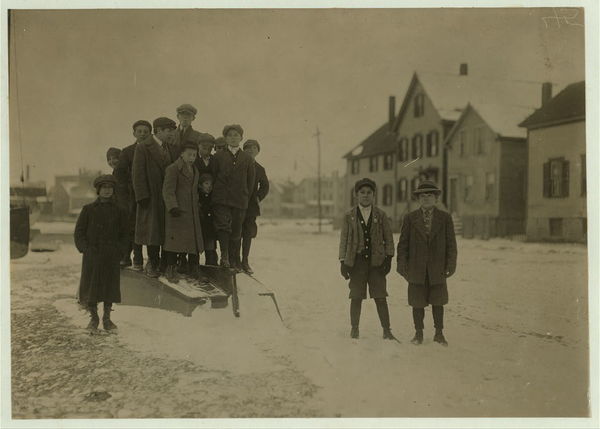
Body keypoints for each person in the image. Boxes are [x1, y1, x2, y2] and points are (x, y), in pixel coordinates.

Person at [396, 180, 457, 346]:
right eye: (422, 196)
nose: (426, 198)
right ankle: (418, 333)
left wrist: (451, 265)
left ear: (436, 198)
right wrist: (402, 266)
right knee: (417, 302)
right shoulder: (410, 218)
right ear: (418, 199)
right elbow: (403, 244)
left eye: (430, 195)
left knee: (438, 301)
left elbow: (451, 244)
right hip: (416, 268)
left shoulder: (445, 218)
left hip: (437, 268)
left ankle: (439, 333)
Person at [339, 178, 395, 340]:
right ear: (356, 195)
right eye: (362, 192)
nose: (365, 195)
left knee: (380, 296)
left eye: (369, 192)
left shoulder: (381, 215)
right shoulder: (349, 216)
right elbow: (344, 240)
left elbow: (389, 238)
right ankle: (354, 329)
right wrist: (343, 262)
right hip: (356, 263)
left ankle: (387, 330)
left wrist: (389, 258)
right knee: (356, 296)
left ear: (374, 195)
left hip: (377, 263)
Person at [74, 175, 128, 332]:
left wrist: (120, 251)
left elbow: (125, 234)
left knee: (109, 288)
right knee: (91, 288)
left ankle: (107, 319)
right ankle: (94, 318)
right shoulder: (88, 209)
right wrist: (86, 249)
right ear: (98, 190)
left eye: (110, 188)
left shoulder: (120, 211)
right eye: (104, 188)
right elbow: (79, 232)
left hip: (111, 255)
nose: (107, 191)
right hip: (93, 256)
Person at [132, 117, 178, 278]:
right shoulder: (143, 147)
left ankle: (163, 264)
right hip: (151, 197)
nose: (171, 134)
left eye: (172, 131)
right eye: (168, 131)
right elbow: (137, 174)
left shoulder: (170, 148)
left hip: (166, 197)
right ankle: (152, 262)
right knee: (152, 232)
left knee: (165, 230)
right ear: (158, 131)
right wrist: (142, 196)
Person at [211, 124, 255, 268]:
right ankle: (224, 257)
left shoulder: (247, 159)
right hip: (221, 200)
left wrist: (244, 196)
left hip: (239, 201)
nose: (233, 138)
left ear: (241, 138)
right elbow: (213, 176)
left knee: (236, 231)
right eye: (229, 135)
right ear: (225, 138)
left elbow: (250, 181)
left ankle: (233, 259)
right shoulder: (218, 157)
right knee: (223, 228)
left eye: (236, 135)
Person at [162, 140, 205, 283]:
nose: (192, 158)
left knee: (193, 242)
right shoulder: (173, 169)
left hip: (191, 212)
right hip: (177, 212)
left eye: (194, 155)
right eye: (189, 154)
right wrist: (173, 207)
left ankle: (194, 268)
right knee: (174, 242)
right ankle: (170, 269)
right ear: (182, 154)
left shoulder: (195, 170)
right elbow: (168, 190)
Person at [114, 119, 152, 270]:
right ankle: (135, 257)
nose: (142, 134)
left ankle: (151, 260)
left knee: (149, 227)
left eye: (146, 132)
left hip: (149, 196)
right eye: (139, 131)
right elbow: (119, 176)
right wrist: (127, 194)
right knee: (133, 227)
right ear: (134, 133)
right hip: (131, 197)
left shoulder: (153, 151)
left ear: (150, 134)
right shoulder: (127, 152)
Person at [239, 139, 269, 274]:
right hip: (237, 204)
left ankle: (245, 261)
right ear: (243, 150)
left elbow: (265, 186)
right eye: (248, 148)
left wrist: (258, 196)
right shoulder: (238, 165)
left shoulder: (260, 168)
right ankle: (234, 260)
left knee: (247, 233)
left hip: (250, 207)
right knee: (236, 232)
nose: (251, 150)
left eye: (254, 148)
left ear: (258, 151)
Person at [198, 173, 218, 266]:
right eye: (206, 184)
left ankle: (211, 263)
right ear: (200, 185)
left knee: (210, 247)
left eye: (211, 184)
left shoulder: (213, 198)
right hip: (200, 226)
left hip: (210, 228)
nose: (209, 186)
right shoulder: (198, 197)